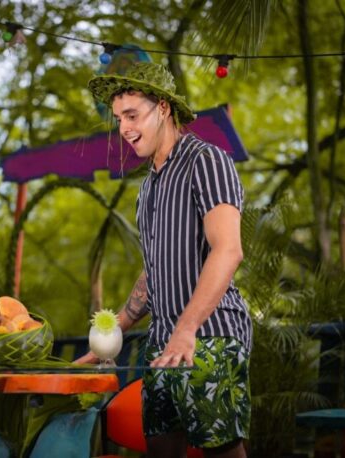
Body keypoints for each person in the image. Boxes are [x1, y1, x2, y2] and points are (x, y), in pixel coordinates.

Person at [77, 62, 252, 458]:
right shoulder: (148, 187)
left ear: (162, 108)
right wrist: (112, 334)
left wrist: (187, 328)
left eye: (132, 115)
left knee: (222, 451)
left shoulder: (206, 161)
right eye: (119, 119)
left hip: (211, 336)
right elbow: (156, 269)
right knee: (159, 447)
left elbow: (228, 249)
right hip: (162, 341)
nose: (124, 128)